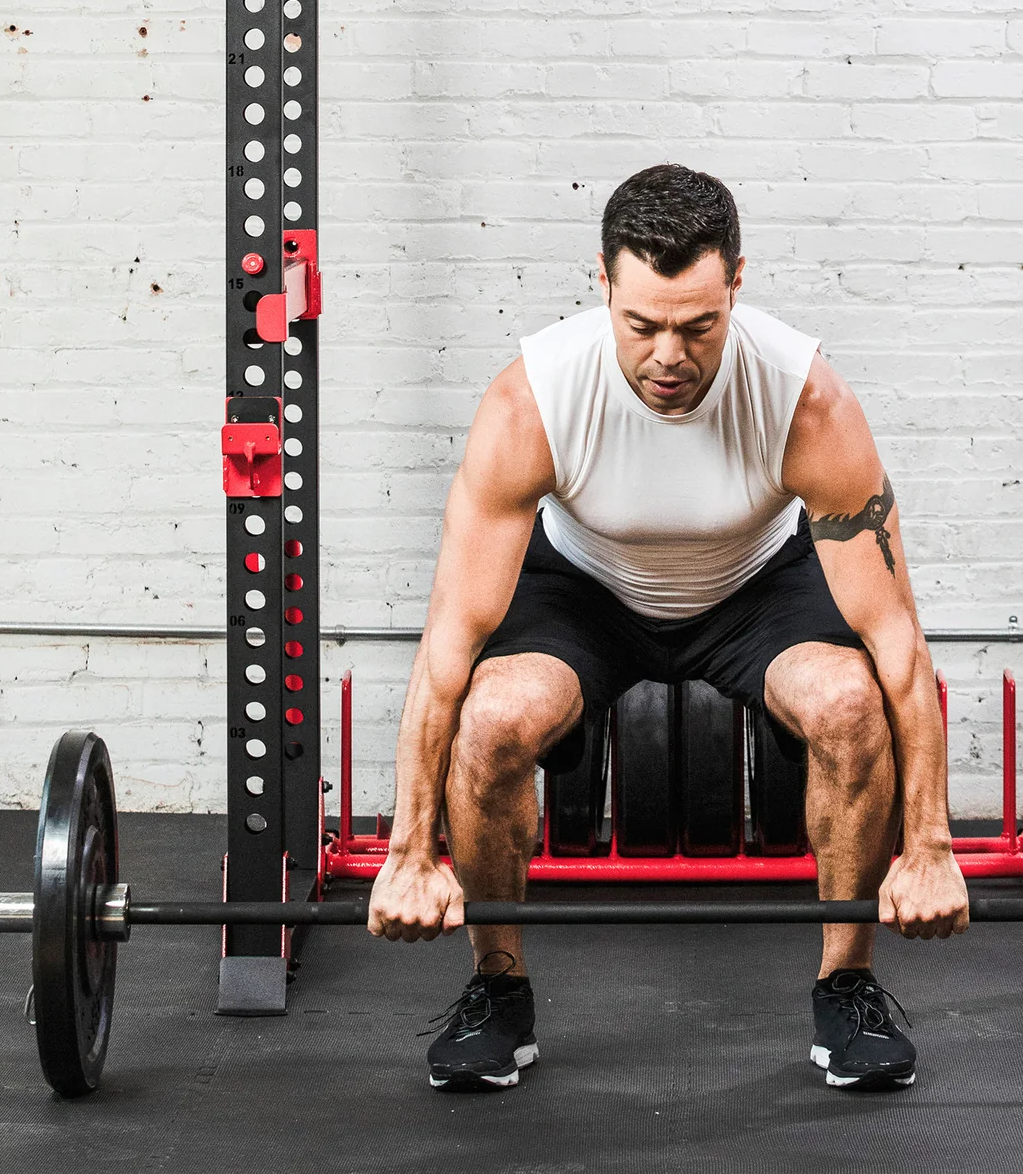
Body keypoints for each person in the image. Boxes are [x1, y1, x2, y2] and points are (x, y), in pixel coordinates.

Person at [367, 164, 969, 1092]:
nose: (668, 356)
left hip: (755, 586)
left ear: (737, 285)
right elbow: (448, 648)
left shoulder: (807, 402)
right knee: (490, 719)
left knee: (851, 705)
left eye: (698, 326)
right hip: (585, 588)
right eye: (642, 325)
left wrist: (929, 847)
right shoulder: (533, 402)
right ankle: (498, 989)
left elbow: (897, 642)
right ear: (603, 285)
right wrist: (410, 851)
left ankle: (846, 986)